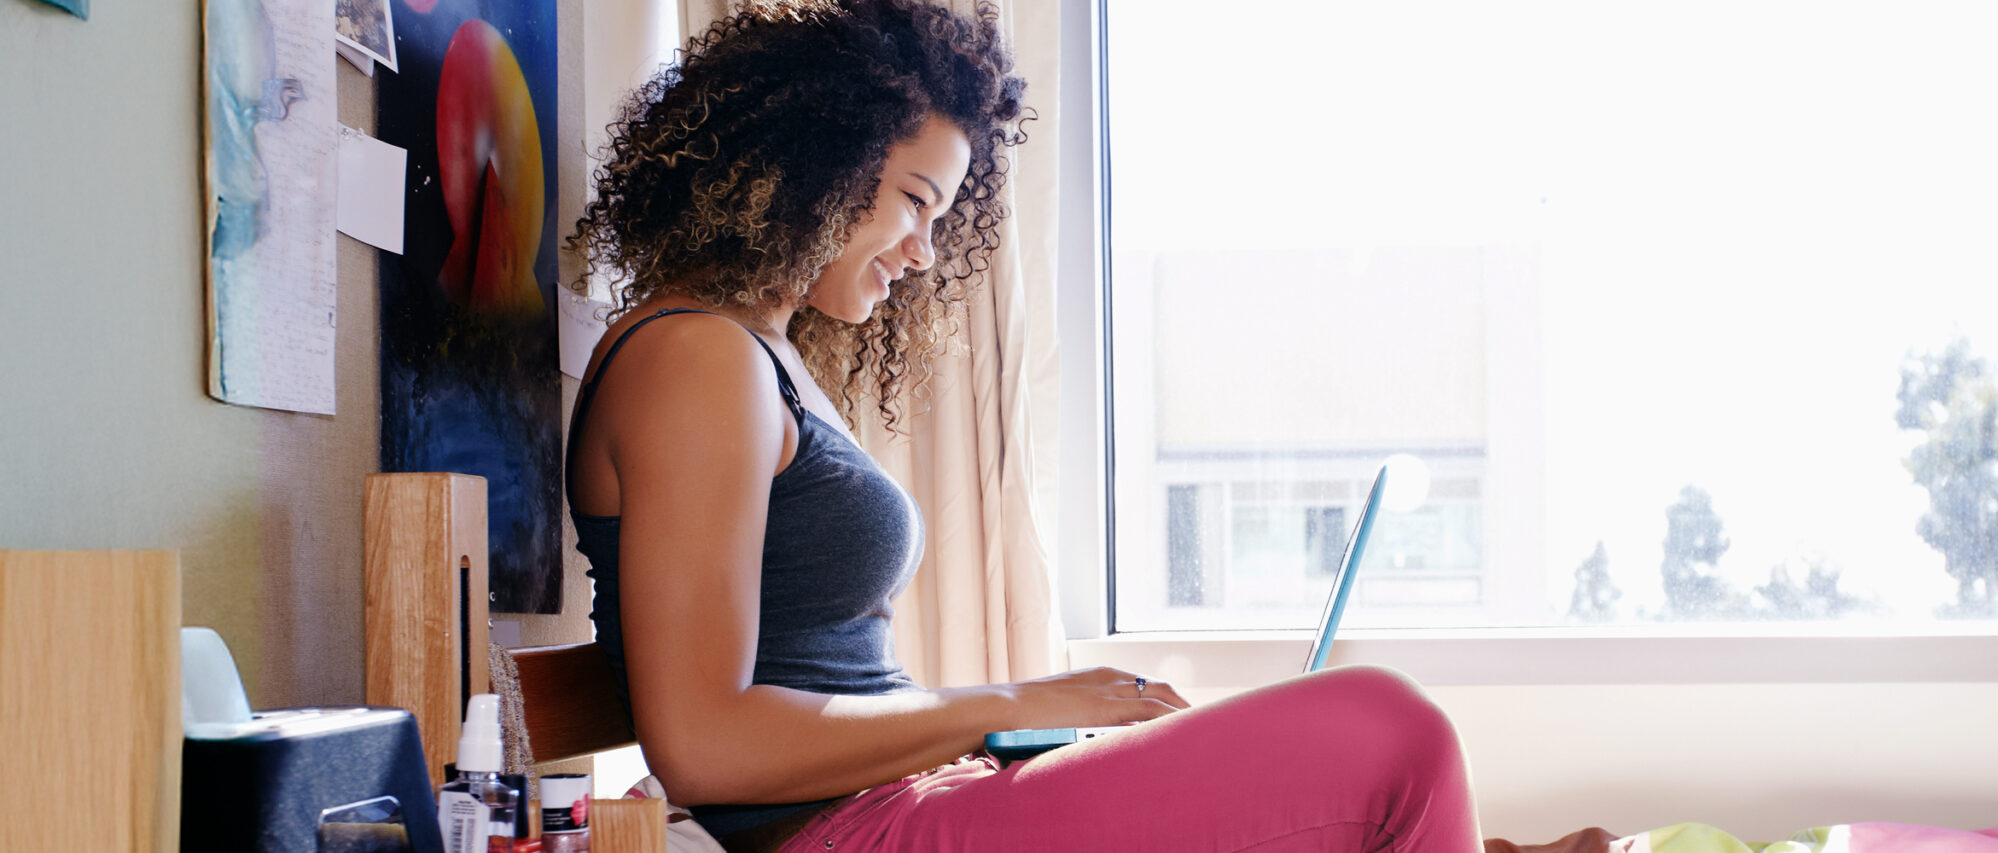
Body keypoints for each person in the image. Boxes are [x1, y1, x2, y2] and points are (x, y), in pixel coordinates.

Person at [561, 2, 1481, 850]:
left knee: (1353, 761)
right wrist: (1016, 697)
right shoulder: (696, 358)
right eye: (916, 200)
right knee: (1387, 729)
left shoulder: (754, 353)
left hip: (899, 799)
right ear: (814, 161)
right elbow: (705, 746)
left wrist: (1023, 723)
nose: (924, 252)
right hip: (852, 831)